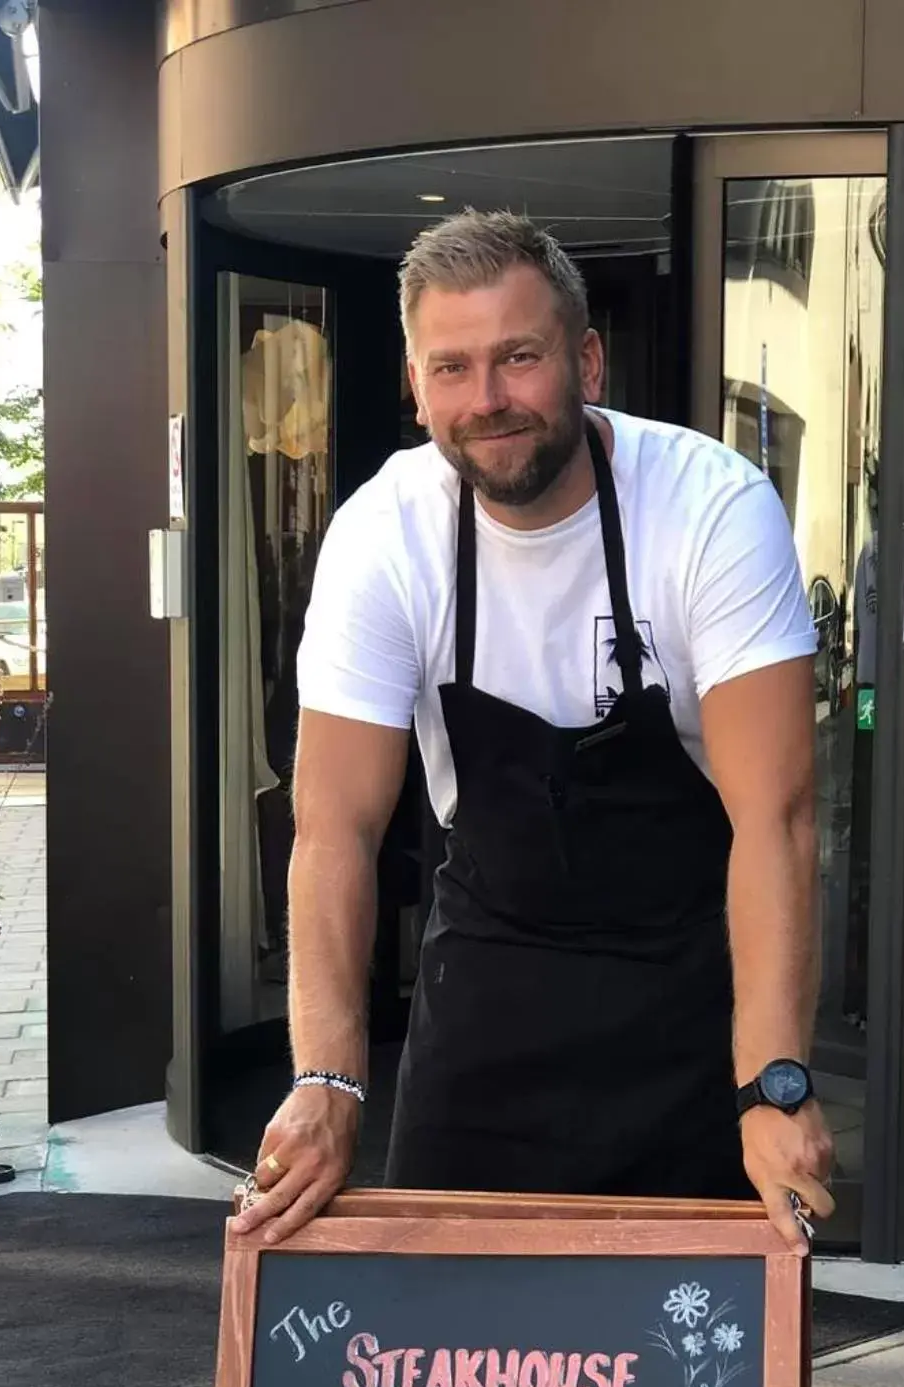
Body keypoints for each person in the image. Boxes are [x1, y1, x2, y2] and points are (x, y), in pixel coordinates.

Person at [233, 210, 834, 1248]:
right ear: (416, 386)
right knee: (448, 1339)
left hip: (691, 987)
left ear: (586, 359)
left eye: (520, 357)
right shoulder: (384, 535)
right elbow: (335, 829)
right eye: (453, 368)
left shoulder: (711, 509)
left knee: (694, 1372)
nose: (489, 399)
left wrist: (773, 1082)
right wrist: (327, 1080)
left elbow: (774, 821)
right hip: (491, 985)